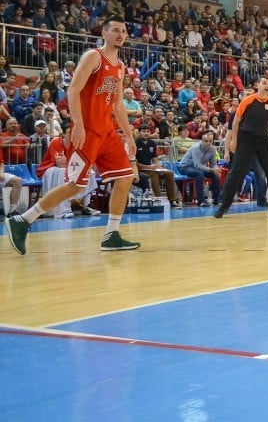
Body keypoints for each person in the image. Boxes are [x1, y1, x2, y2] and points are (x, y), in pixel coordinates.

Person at [6, 16, 139, 255]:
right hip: (86, 131)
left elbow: (118, 105)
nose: (121, 34)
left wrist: (128, 136)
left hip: (107, 132)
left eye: (124, 31)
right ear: (105, 33)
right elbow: (73, 90)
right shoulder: (93, 57)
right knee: (74, 185)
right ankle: (23, 220)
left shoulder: (119, 67)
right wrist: (77, 123)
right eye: (116, 30)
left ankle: (111, 234)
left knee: (126, 177)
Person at [215, 76, 268, 218]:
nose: (267, 85)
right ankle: (223, 206)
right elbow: (236, 122)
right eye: (264, 83)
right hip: (246, 139)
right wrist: (234, 140)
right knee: (236, 172)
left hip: (263, 140)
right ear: (258, 85)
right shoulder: (248, 100)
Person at [134, 125, 181, 207]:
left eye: (148, 131)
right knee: (154, 174)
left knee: (169, 173)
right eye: (144, 131)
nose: (146, 133)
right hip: (139, 169)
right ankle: (157, 199)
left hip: (150, 168)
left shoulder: (152, 143)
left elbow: (155, 158)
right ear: (139, 132)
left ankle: (172, 200)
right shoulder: (136, 143)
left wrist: (159, 167)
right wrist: (150, 167)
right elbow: (135, 163)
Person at [178, 131, 221, 207]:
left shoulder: (213, 149)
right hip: (184, 167)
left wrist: (216, 170)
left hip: (198, 168)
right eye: (206, 141)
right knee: (200, 173)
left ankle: (217, 200)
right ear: (202, 141)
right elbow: (197, 165)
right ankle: (201, 201)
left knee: (215, 175)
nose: (208, 143)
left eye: (210, 141)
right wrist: (211, 170)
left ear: (212, 141)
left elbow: (213, 164)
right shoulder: (196, 148)